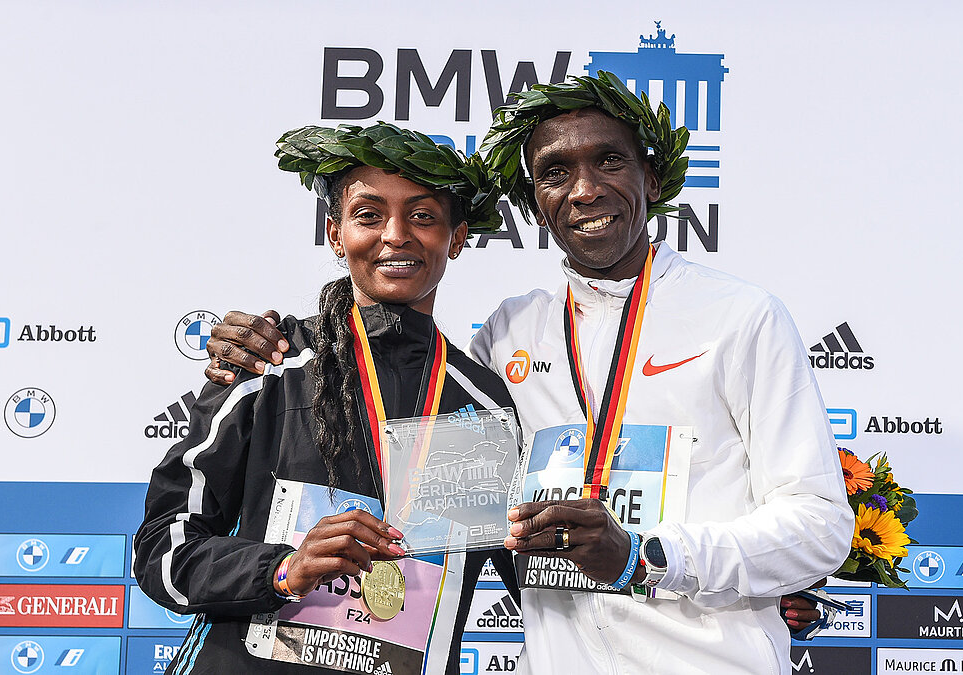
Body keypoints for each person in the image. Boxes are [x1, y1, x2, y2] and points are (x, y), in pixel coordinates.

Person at [205, 72, 851, 673]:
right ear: (536, 205)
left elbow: (820, 524)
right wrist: (259, 345)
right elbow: (427, 466)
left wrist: (648, 556)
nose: (585, 190)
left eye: (609, 161)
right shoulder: (508, 336)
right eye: (555, 173)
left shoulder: (741, 317)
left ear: (653, 180)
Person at [134, 122, 518, 675]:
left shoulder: (486, 406)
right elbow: (162, 550)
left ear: (456, 239)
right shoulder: (269, 363)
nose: (396, 235)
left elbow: (536, 582)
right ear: (336, 234)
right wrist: (283, 570)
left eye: (423, 216)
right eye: (369, 215)